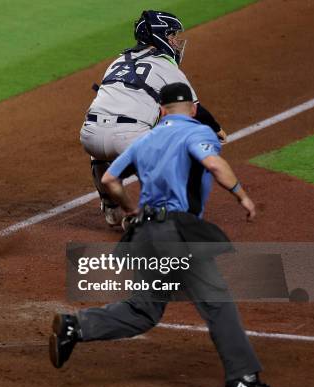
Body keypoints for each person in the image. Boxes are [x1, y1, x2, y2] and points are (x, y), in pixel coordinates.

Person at [50, 83, 281, 387]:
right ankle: (242, 379)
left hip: (145, 234)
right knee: (218, 303)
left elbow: (108, 180)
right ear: (194, 109)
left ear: (160, 110)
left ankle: (77, 326)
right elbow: (214, 164)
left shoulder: (146, 138)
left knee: (144, 310)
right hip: (178, 235)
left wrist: (130, 208)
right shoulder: (198, 133)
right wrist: (242, 196)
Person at [80, 10, 227, 227]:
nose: (176, 41)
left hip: (89, 136)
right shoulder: (165, 65)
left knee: (101, 147)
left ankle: (111, 205)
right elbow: (193, 108)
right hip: (128, 139)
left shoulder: (117, 61)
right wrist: (216, 129)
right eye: (171, 36)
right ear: (158, 37)